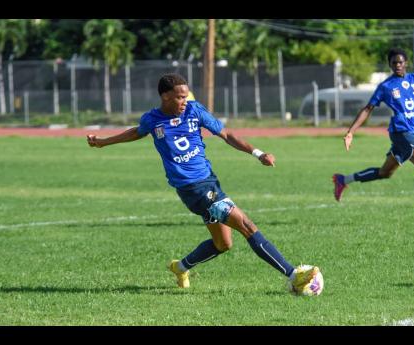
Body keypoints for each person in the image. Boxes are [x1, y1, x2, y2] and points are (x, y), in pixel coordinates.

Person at [87, 73, 321, 295]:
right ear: (166, 97)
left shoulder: (194, 110)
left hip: (209, 181)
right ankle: (293, 275)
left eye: (186, 95)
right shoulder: (152, 119)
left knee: (223, 244)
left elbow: (227, 134)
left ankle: (180, 267)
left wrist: (258, 153)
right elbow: (136, 132)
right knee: (247, 225)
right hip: (193, 189)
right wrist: (103, 142)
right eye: (179, 96)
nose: (184, 100)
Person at [333, 48, 414, 225]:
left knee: (385, 173)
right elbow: (368, 109)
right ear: (390, 65)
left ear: (406, 62)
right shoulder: (386, 86)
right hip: (400, 132)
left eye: (400, 62)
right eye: (394, 63)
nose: (397, 65)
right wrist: (350, 132)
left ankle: (343, 179)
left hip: (409, 132)